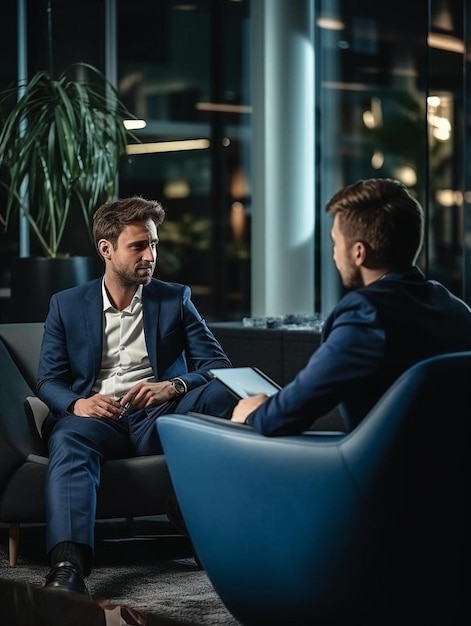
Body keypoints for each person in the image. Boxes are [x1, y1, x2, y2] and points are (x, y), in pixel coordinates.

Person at [37, 196, 238, 594]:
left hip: (160, 416)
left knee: (222, 395)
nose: (151, 255)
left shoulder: (174, 298)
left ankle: (192, 508)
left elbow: (218, 367)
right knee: (68, 436)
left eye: (154, 244)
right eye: (139, 246)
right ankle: (67, 565)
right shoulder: (66, 305)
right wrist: (79, 404)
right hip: (98, 420)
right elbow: (48, 380)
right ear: (106, 250)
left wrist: (173, 386)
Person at [231, 177, 471, 433]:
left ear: (359, 252)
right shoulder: (457, 309)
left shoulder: (366, 314)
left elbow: (286, 415)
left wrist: (258, 410)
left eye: (336, 242)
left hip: (375, 469)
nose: (334, 253)